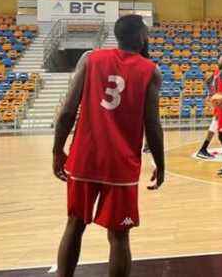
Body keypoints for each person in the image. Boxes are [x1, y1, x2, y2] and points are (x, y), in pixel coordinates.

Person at [52, 14, 165, 277]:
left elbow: (68, 111)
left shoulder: (89, 59)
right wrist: (160, 164)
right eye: (146, 33)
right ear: (140, 37)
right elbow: (153, 125)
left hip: (84, 159)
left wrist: (58, 150)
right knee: (119, 236)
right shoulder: (151, 71)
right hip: (120, 165)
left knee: (74, 225)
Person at [195, 72, 219, 160]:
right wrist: (211, 106)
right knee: (213, 127)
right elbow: (209, 99)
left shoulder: (212, 85)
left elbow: (208, 99)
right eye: (207, 75)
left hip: (219, 107)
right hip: (218, 108)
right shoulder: (211, 85)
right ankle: (203, 149)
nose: (210, 75)